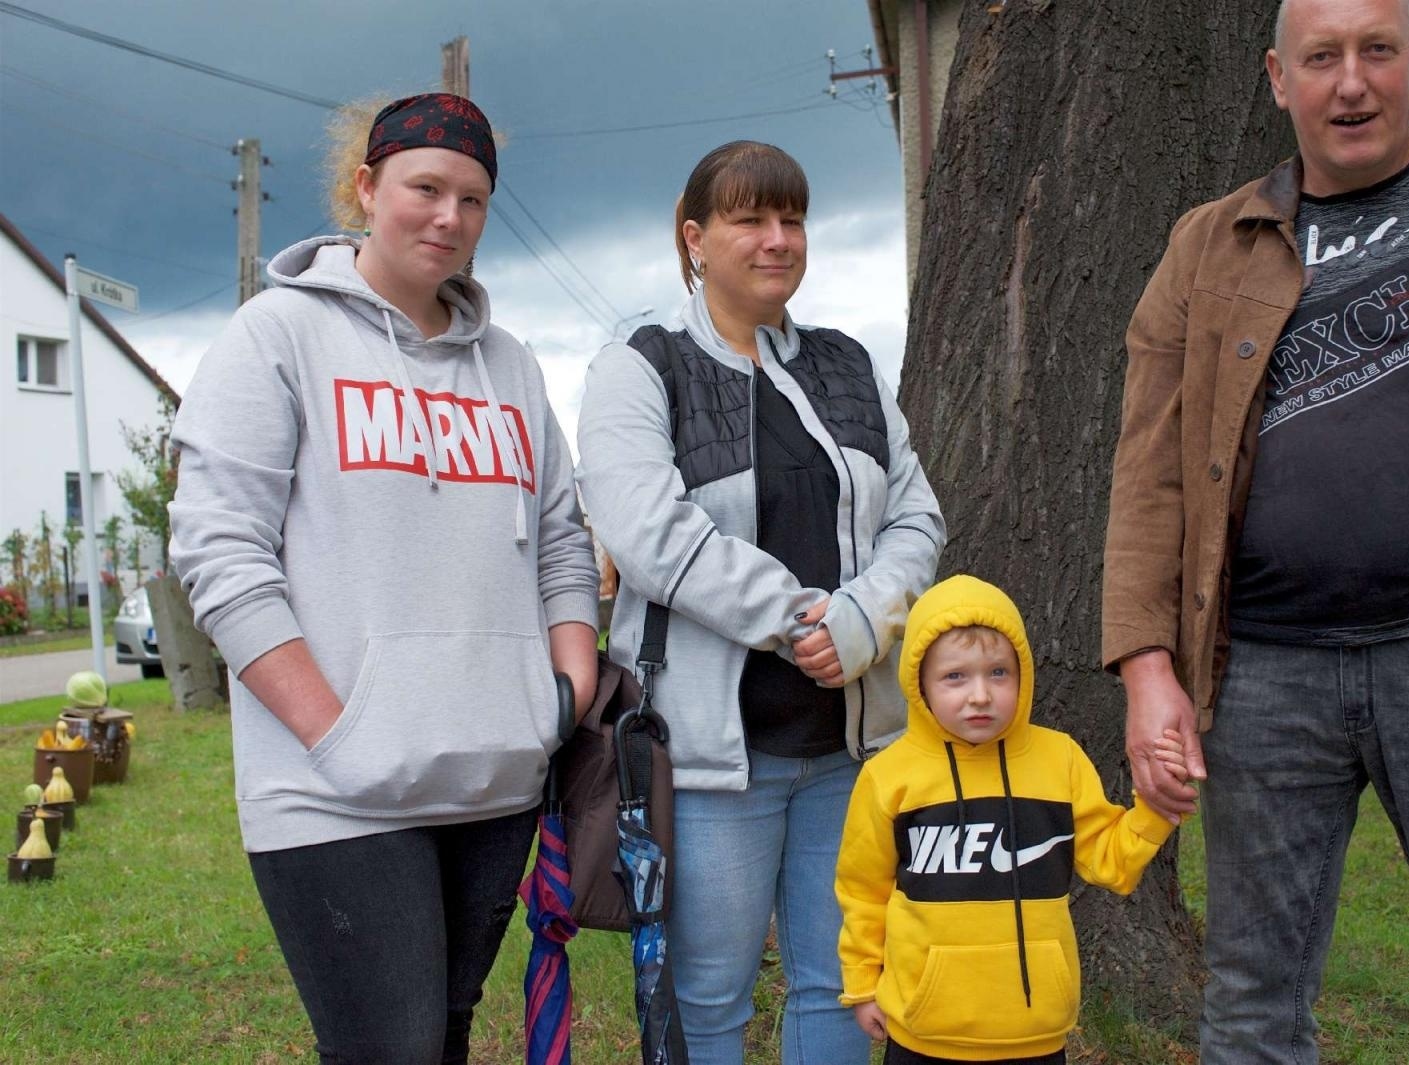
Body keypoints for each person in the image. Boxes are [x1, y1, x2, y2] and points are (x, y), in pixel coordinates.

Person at [1102, 0, 1409, 1060]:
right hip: (1261, 677)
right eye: (1320, 58)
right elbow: (1148, 478)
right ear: (1278, 78)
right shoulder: (1204, 247)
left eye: (1377, 51)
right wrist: (1149, 671)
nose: (1351, 83)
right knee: (1250, 1007)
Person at [169, 92, 599, 1064]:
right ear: (367, 188)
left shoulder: (513, 368)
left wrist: (560, 694)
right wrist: (337, 733)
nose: (450, 217)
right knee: (391, 1048)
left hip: (495, 780)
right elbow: (218, 552)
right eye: (426, 188)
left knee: (439, 1040)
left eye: (474, 199)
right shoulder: (275, 337)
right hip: (335, 796)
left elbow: (565, 544)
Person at [576, 140, 945, 1064]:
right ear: (696, 239)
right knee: (706, 999)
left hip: (852, 748)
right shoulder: (639, 365)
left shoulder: (845, 365)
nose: (777, 239)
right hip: (707, 762)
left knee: (840, 985)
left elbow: (918, 515)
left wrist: (861, 622)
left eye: (792, 218)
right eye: (750, 219)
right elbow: (651, 535)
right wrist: (799, 620)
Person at [834, 575, 1178, 1065]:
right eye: (955, 677)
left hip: (1035, 1031)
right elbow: (862, 890)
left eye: (998, 673)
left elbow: (1110, 862)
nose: (980, 695)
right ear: (919, 684)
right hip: (922, 1029)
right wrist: (863, 983)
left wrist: (1157, 809)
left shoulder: (1059, 760)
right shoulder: (889, 776)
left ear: (1024, 676)